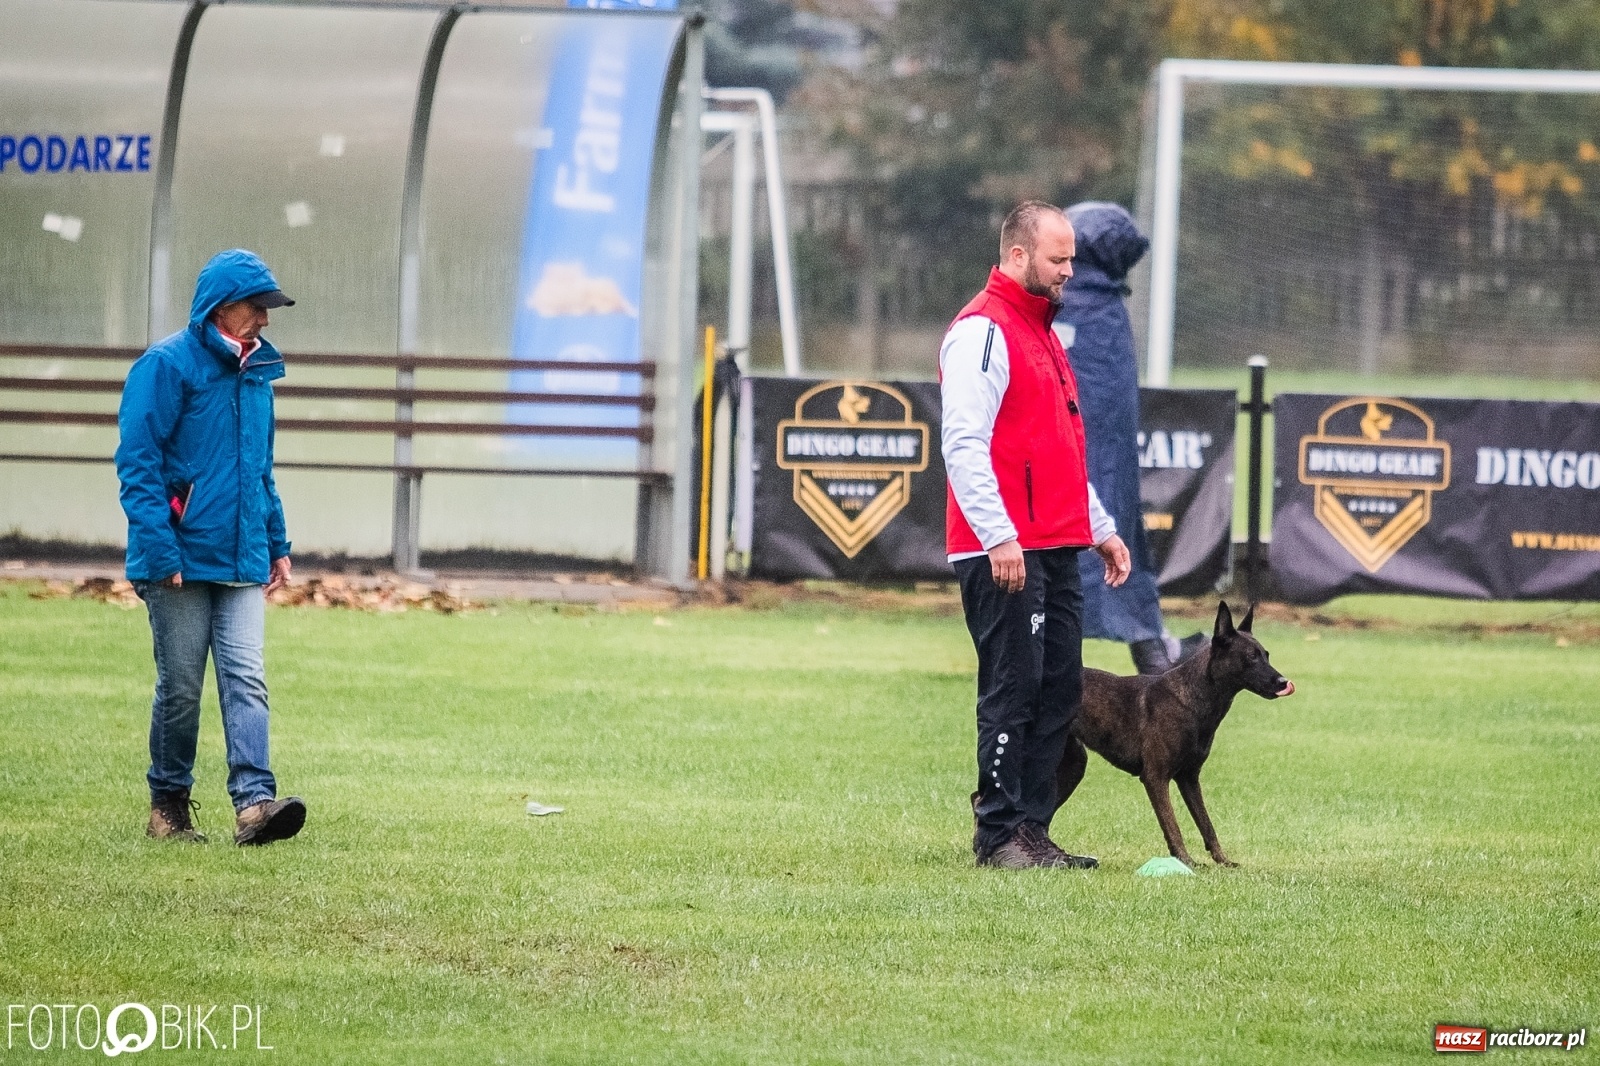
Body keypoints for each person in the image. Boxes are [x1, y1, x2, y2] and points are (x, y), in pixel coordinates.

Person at [940, 201, 1132, 870]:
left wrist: (1100, 528)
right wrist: (997, 536)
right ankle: (997, 835)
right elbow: (964, 442)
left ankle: (1031, 830)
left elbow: (1054, 451)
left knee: (1059, 690)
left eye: (1073, 258)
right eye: (1058, 259)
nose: (1069, 272)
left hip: (1054, 543)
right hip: (1004, 551)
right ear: (1018, 256)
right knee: (1012, 690)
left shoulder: (1044, 333)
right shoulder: (982, 334)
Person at [116, 249, 307, 847]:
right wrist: (160, 548)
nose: (267, 320)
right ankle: (168, 808)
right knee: (180, 688)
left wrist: (276, 542)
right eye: (259, 307)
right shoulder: (166, 365)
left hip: (243, 555)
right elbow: (138, 463)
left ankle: (254, 807)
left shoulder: (258, 374)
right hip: (177, 557)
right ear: (223, 308)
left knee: (247, 676)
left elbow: (261, 470)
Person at [1054, 202, 1204, 675]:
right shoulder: (1102, 315)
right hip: (1097, 468)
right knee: (1115, 539)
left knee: (1100, 542)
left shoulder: (1059, 304)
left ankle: (1154, 648)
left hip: (1068, 467)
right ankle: (1154, 649)